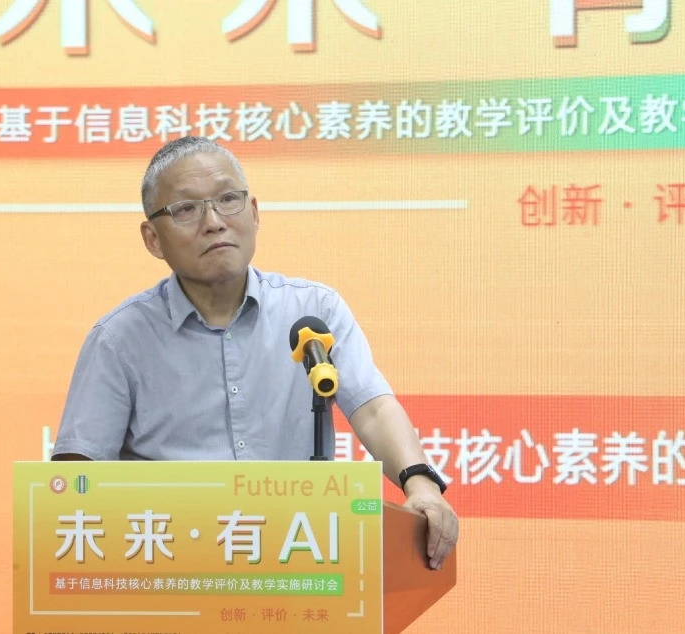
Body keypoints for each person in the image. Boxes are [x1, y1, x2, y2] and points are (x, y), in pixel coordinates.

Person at [52, 136, 459, 569]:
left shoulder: (314, 310)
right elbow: (78, 477)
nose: (213, 222)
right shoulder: (118, 339)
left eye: (228, 199)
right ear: (153, 239)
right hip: (173, 570)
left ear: (255, 212)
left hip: (299, 560)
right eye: (186, 209)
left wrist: (421, 484)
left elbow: (373, 409)